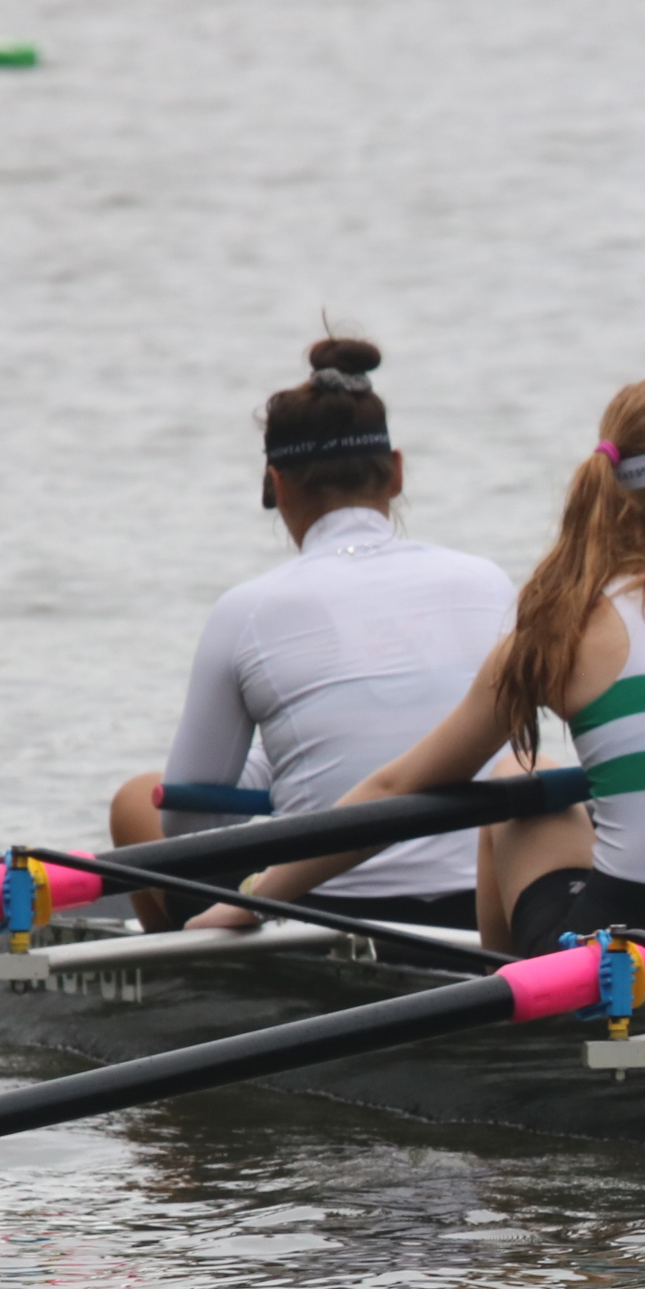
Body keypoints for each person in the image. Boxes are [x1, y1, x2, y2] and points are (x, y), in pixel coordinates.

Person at [209, 375, 645, 981]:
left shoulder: (563, 626)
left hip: (621, 969)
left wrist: (255, 897)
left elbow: (399, 789)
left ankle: (505, 1023)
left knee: (515, 778)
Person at [108, 336, 515, 930]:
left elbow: (187, 824)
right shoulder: (489, 582)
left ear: (277, 484)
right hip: (481, 909)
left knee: (137, 800)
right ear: (397, 472)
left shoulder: (246, 610)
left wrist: (296, 771)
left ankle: (187, 976)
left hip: (323, 912)